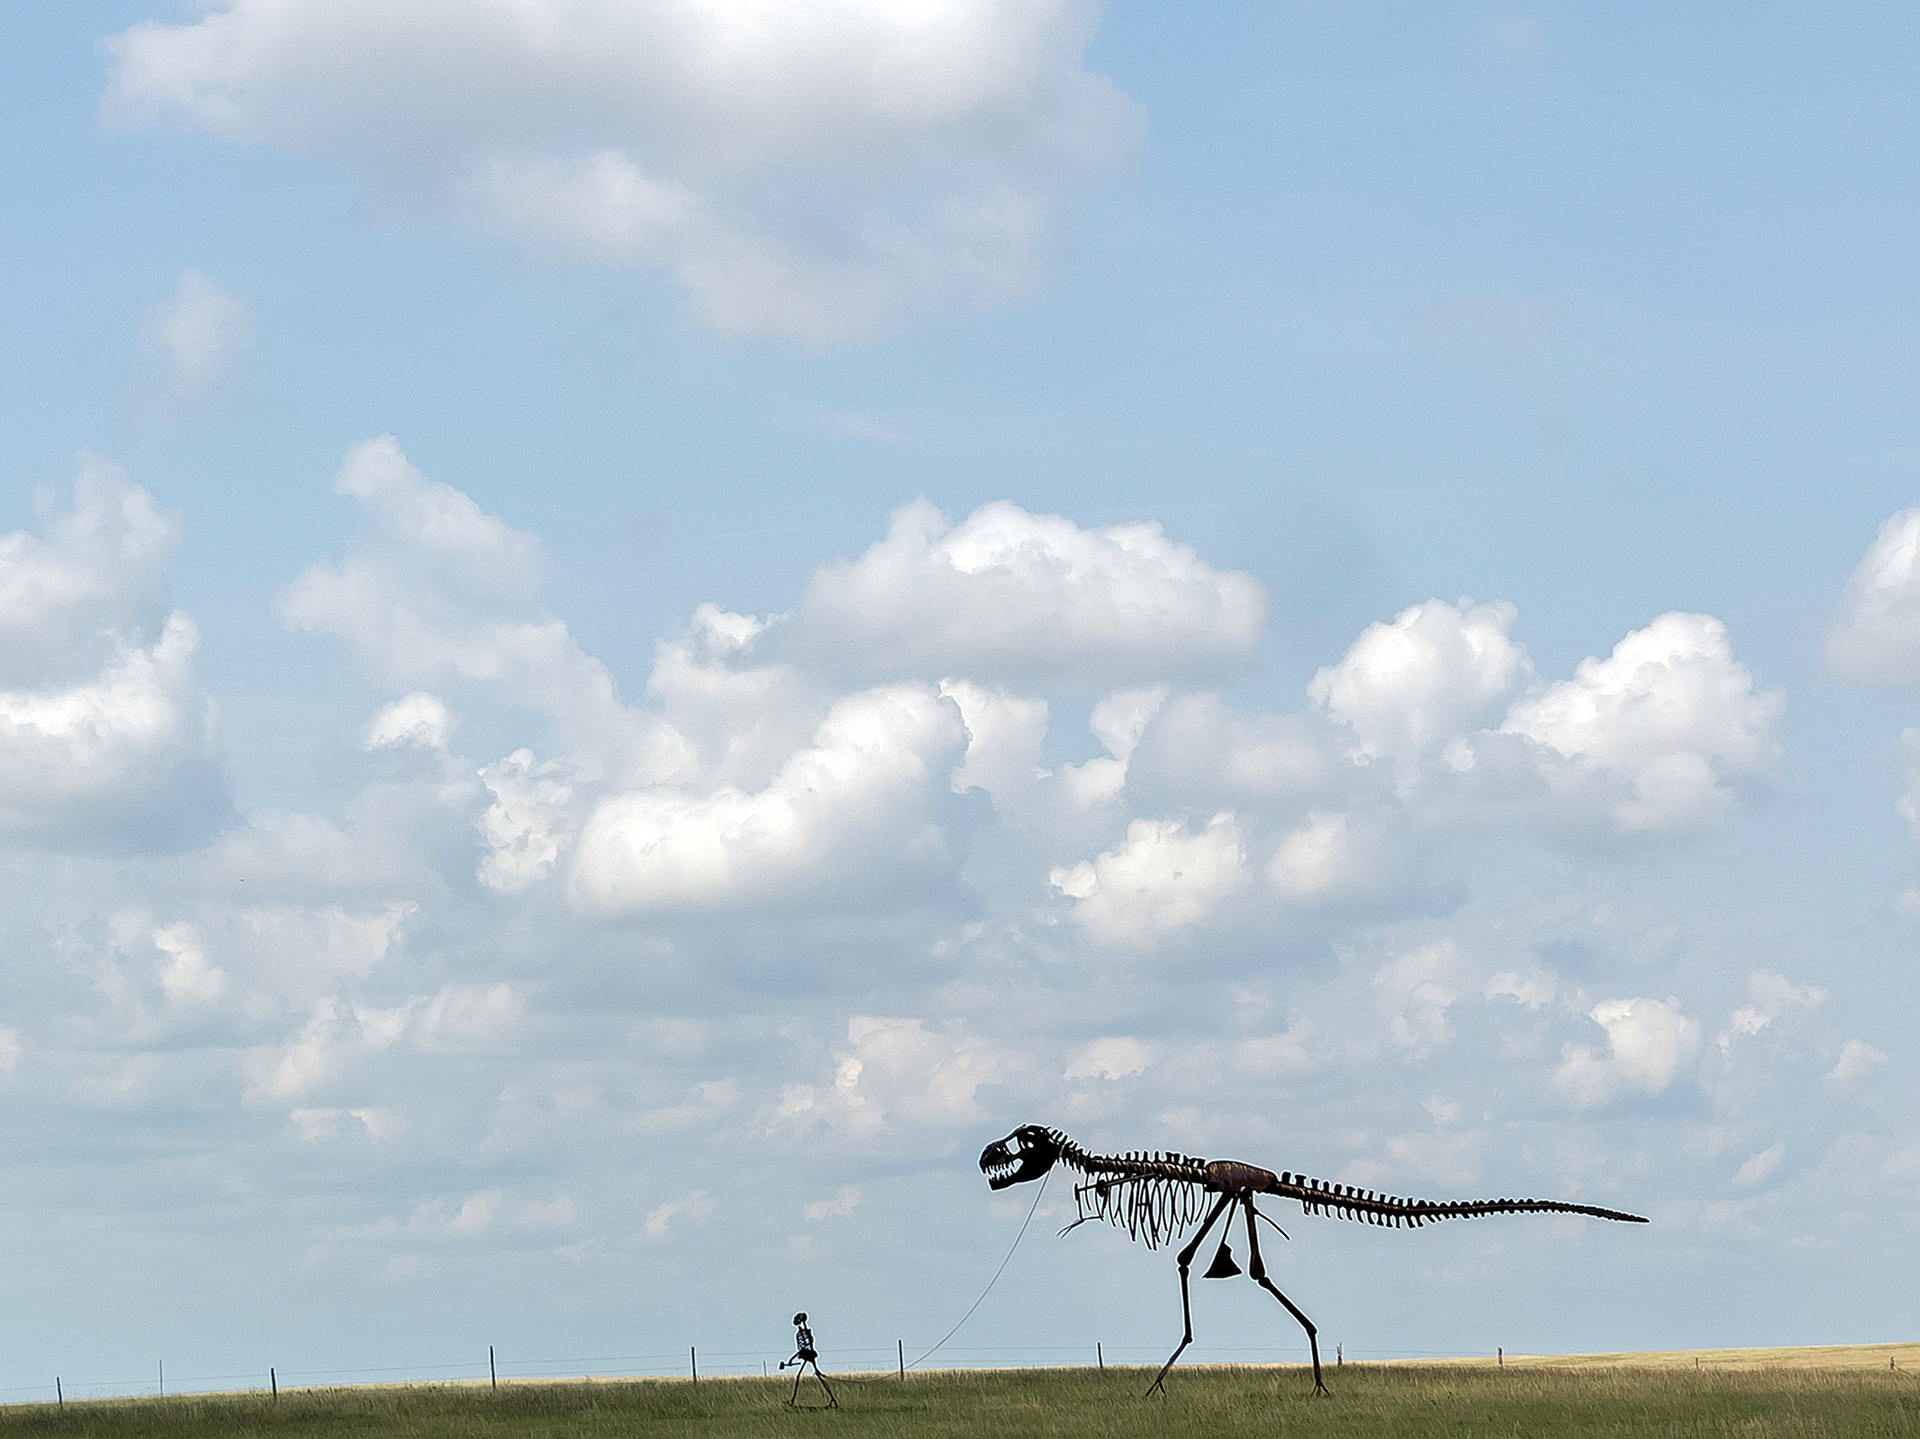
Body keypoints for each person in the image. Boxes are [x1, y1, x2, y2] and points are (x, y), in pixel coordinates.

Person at [779, 1311, 837, 1407]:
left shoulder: (804, 1333)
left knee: (805, 1376)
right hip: (806, 1353)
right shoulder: (802, 1332)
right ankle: (832, 1400)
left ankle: (832, 1400)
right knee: (813, 1375)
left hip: (808, 1354)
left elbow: (807, 1346)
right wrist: (790, 1360)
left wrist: (791, 1360)